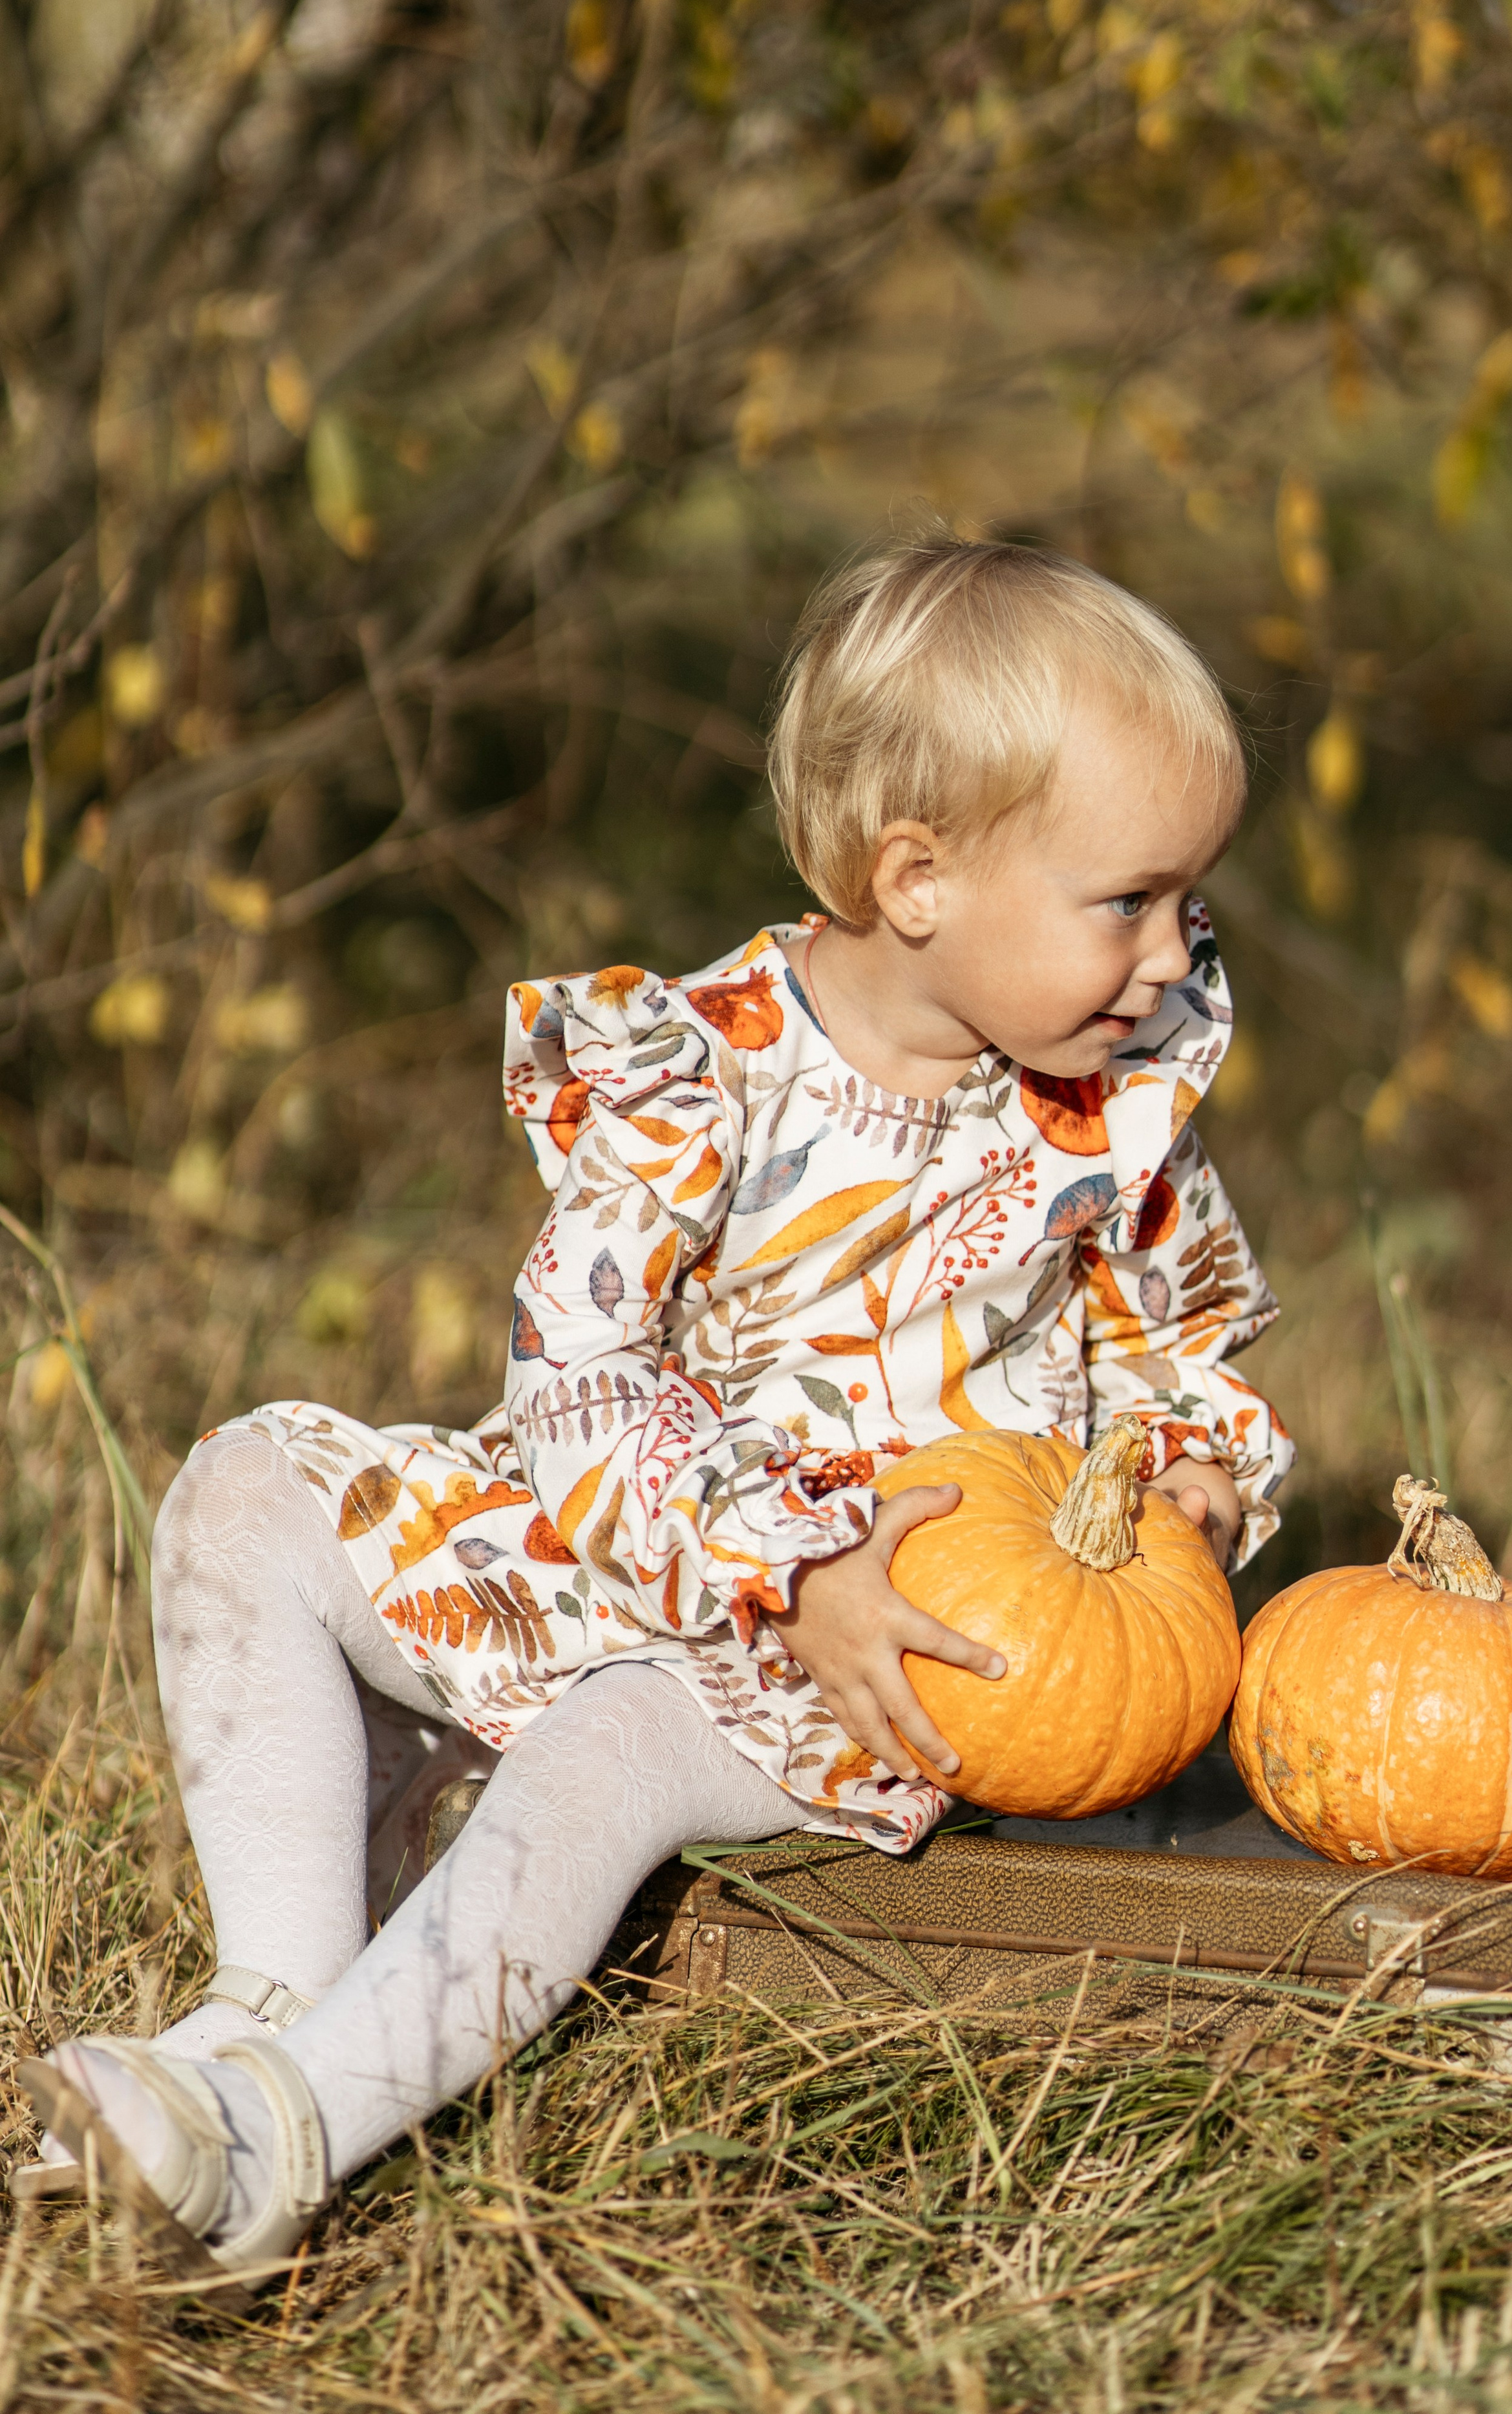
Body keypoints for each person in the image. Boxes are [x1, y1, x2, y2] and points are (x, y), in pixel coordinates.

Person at [17, 534, 1294, 2292]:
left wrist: (1195, 1466)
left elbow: (1179, 1329)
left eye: (1184, 903)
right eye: (1128, 902)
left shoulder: (1110, 1108)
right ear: (918, 879)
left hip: (883, 1652)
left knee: (614, 1738)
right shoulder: (699, 1068)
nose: (1169, 956)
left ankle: (285, 2144)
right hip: (652, 1537)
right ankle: (274, 2001)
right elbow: (581, 1373)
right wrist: (771, 1551)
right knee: (244, 1489)